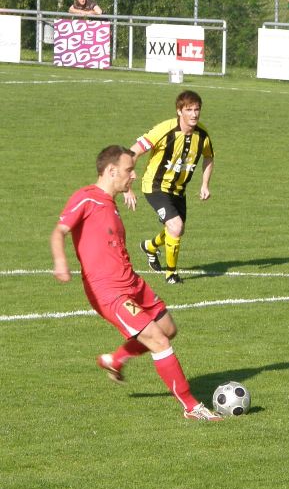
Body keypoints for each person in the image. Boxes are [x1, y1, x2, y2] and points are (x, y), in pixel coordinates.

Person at [50, 145, 221, 420]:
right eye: (129, 170)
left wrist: (126, 190)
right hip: (109, 292)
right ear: (111, 171)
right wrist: (61, 261)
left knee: (168, 328)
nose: (133, 175)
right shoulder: (87, 198)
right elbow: (59, 232)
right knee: (157, 340)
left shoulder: (110, 204)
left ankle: (115, 360)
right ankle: (192, 407)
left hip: (132, 283)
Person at [123, 90, 214, 285]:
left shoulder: (202, 134)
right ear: (179, 111)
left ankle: (150, 246)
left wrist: (205, 184)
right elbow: (132, 152)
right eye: (189, 110)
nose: (194, 114)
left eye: (197, 109)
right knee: (176, 226)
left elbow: (208, 156)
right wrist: (127, 186)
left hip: (179, 190)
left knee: (177, 230)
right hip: (155, 186)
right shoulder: (164, 130)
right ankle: (171, 274)